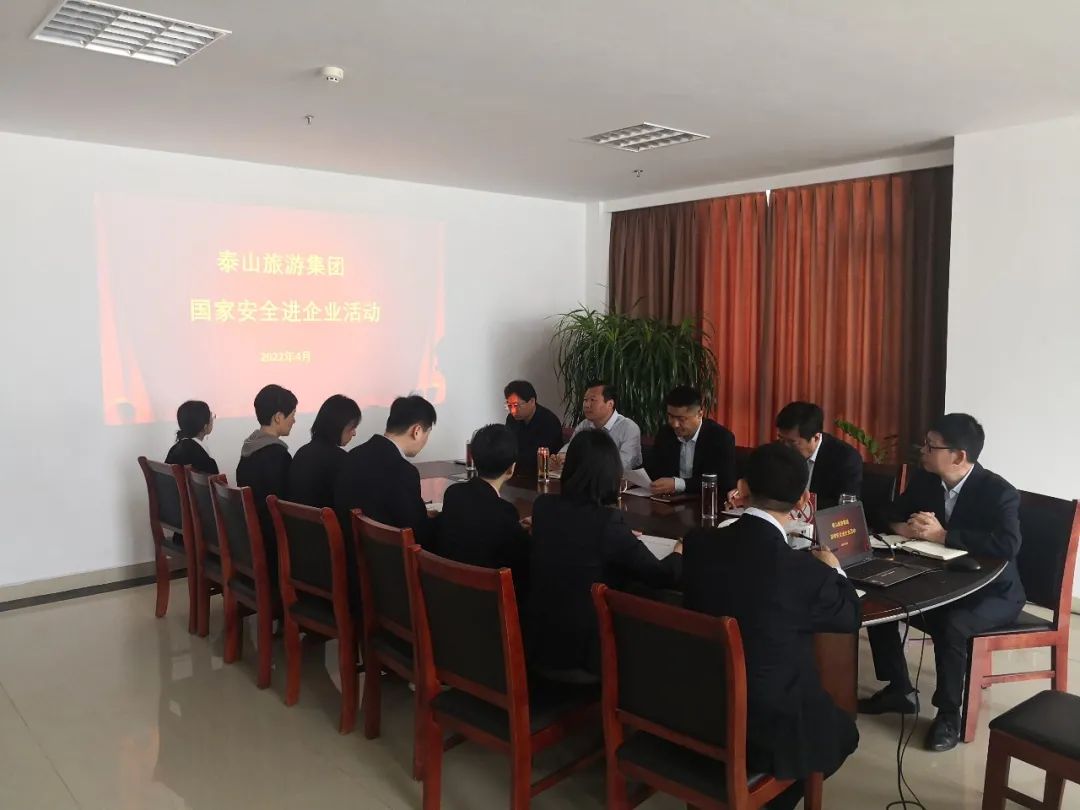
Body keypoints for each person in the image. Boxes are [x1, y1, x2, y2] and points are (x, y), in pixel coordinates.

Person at [683, 442, 860, 810]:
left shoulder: (698, 544)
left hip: (697, 707)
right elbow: (848, 616)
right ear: (802, 501)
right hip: (764, 729)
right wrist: (834, 570)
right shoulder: (804, 571)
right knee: (843, 733)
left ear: (743, 488)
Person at [860, 413, 1024, 753]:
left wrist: (943, 535)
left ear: (959, 456)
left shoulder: (998, 492)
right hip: (943, 581)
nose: (923, 451)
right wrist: (903, 527)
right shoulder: (926, 479)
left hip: (994, 592)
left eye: (931, 446)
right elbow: (887, 512)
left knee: (953, 624)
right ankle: (900, 688)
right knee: (882, 598)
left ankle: (949, 715)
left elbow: (1008, 545)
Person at [527, 429, 682, 681]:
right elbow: (661, 575)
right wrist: (679, 552)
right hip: (588, 656)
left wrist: (621, 537)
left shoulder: (543, 507)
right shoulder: (607, 522)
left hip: (539, 646)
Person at [334, 394, 437, 548]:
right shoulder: (404, 471)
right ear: (417, 431)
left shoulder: (353, 455)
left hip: (356, 552)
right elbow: (418, 534)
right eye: (427, 434)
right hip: (392, 558)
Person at [437, 423, 530, 591]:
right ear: (511, 468)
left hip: (448, 590)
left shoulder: (453, 493)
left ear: (473, 458)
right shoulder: (505, 512)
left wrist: (515, 528)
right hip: (488, 599)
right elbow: (519, 561)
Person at [236, 384, 297, 581]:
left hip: (250, 539)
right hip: (272, 544)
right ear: (278, 417)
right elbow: (284, 505)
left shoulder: (249, 449)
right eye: (292, 415)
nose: (294, 420)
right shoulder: (276, 455)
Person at [645, 385, 736, 496]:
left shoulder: (720, 438)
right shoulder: (665, 434)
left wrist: (679, 484)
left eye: (681, 419)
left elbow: (723, 483)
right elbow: (655, 470)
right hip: (669, 500)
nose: (675, 424)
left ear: (699, 414)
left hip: (704, 501)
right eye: (671, 416)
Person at [775, 401, 863, 509]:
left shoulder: (845, 458)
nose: (785, 447)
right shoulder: (775, 451)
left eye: (792, 442)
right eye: (781, 438)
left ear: (815, 438)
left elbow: (845, 507)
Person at [288, 394, 361, 508]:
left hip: (297, 519)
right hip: (325, 520)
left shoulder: (301, 453)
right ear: (338, 425)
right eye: (352, 427)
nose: (354, 433)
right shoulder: (342, 461)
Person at [558, 382, 642, 470]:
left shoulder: (629, 428)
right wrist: (560, 457)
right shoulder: (585, 424)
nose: (587, 405)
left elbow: (624, 464)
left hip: (621, 477)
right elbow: (571, 446)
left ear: (610, 404)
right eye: (585, 400)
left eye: (592, 400)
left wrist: (582, 462)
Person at [503, 379, 564, 473]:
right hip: (518, 471)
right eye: (509, 406)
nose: (513, 411)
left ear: (532, 401)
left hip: (544, 473)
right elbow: (508, 447)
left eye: (516, 405)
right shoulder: (511, 419)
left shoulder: (549, 421)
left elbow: (537, 457)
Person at [165, 400, 218, 474]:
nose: (212, 419)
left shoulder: (173, 450)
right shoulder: (205, 462)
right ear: (205, 427)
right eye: (211, 417)